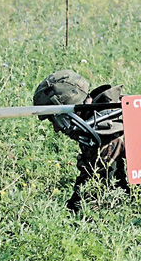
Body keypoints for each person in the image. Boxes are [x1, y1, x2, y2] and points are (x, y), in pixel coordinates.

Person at [33, 70, 128, 213]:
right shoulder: (99, 119)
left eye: (55, 119)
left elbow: (100, 197)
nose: (57, 128)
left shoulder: (106, 132)